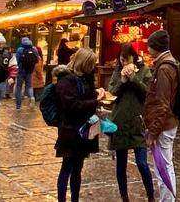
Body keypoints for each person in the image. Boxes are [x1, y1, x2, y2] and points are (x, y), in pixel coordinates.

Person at [55, 47, 104, 202]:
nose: (93, 67)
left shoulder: (86, 78)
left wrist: (98, 93)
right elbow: (72, 105)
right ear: (84, 63)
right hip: (70, 131)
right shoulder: (66, 80)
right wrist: (95, 101)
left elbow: (85, 97)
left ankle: (75, 199)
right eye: (91, 64)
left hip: (84, 131)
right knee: (67, 168)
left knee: (78, 169)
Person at [109, 43, 155, 202]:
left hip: (137, 122)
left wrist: (133, 78)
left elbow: (147, 92)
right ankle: (124, 197)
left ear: (133, 58)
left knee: (142, 163)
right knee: (120, 165)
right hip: (119, 122)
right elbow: (112, 93)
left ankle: (151, 196)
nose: (124, 63)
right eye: (121, 60)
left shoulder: (144, 70)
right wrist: (122, 80)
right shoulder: (116, 71)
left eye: (126, 60)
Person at [144, 29, 179, 202]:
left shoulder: (164, 68)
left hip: (164, 126)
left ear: (155, 47)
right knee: (166, 165)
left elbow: (162, 104)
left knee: (163, 167)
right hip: (167, 123)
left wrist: (153, 131)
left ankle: (167, 200)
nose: (147, 48)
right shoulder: (168, 63)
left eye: (149, 45)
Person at [14, 36, 40, 109]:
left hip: (21, 71)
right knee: (29, 86)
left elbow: (17, 60)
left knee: (19, 87)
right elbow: (37, 59)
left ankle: (18, 105)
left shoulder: (20, 49)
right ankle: (31, 97)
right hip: (30, 70)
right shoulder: (34, 49)